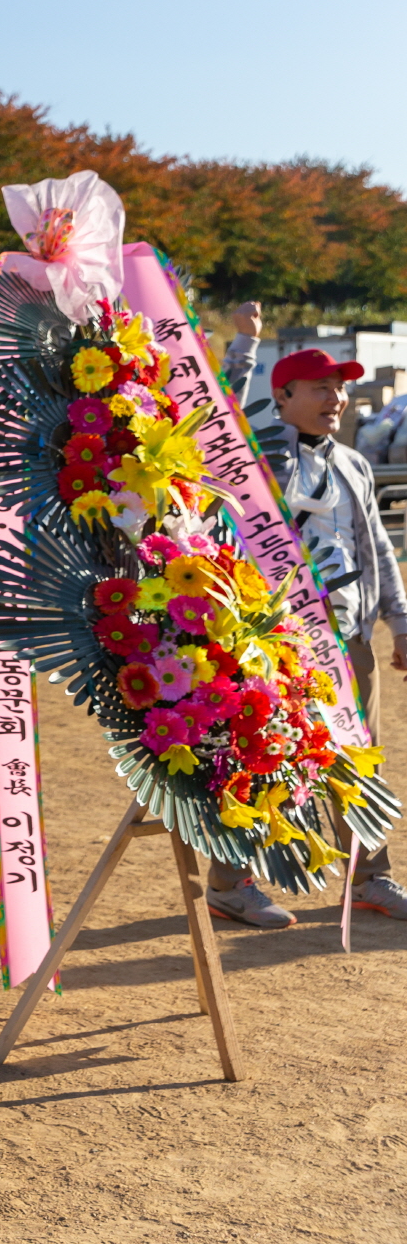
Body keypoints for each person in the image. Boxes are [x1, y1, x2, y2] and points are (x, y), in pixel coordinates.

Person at [217, 304, 407, 925]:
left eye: (340, 388)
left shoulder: (353, 463)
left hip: (349, 639)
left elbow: (378, 549)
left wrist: (401, 623)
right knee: (258, 756)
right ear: (284, 395)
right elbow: (217, 422)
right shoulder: (256, 455)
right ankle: (230, 883)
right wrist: (244, 346)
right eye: (321, 387)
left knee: (359, 757)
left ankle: (371, 877)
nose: (336, 398)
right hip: (274, 642)